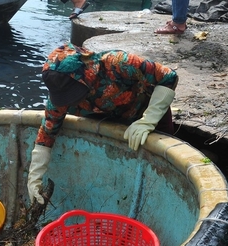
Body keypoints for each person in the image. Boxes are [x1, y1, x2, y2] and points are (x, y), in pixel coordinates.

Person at [27, 43, 179, 205]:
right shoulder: (61, 97)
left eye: (74, 93)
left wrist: (148, 120)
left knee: (164, 167)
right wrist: (34, 178)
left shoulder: (119, 63)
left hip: (147, 114)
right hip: (110, 119)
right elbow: (47, 133)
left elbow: (168, 76)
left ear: (87, 72)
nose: (73, 100)